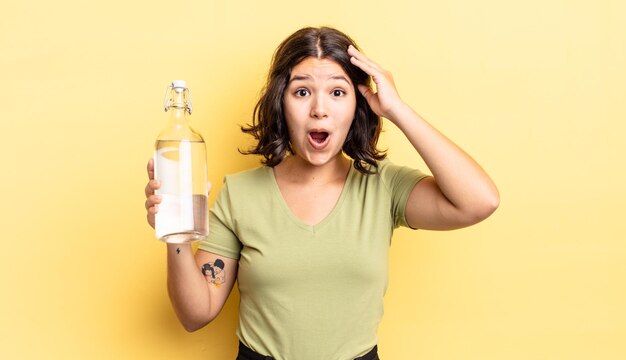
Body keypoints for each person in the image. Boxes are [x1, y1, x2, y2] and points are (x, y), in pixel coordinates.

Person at [144, 26, 499, 360]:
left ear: (357, 105)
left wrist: (396, 109)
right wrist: (176, 234)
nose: (319, 109)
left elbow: (480, 202)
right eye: (302, 92)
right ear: (280, 103)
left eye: (338, 92)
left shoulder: (383, 187)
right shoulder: (239, 195)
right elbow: (195, 314)